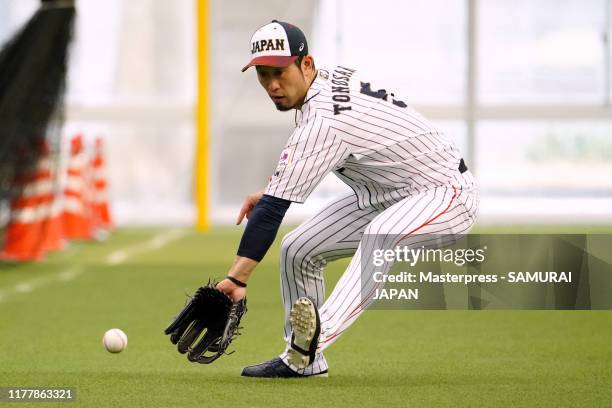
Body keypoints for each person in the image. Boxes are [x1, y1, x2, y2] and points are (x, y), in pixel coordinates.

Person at [215, 20, 479, 378]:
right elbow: (318, 157)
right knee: (298, 249)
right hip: (388, 193)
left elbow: (274, 209)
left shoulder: (323, 119)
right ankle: (302, 363)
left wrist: (237, 279)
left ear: (306, 64)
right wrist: (272, 190)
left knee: (380, 237)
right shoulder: (326, 81)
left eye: (280, 71)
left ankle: (313, 340)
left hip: (444, 192)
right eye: (263, 74)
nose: (273, 84)